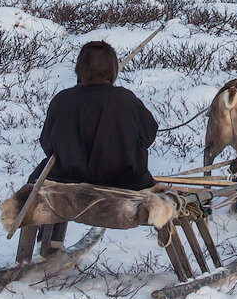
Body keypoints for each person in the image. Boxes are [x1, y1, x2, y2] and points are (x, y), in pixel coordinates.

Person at [28, 40, 158, 191]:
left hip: (65, 187)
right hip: (125, 186)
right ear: (113, 70)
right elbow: (149, 134)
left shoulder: (62, 101)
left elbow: (47, 143)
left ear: (79, 69)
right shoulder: (126, 100)